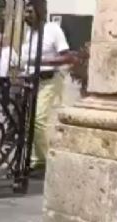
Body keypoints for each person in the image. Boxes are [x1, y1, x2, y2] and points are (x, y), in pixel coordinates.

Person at [21, 0, 73, 173]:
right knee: (29, 122)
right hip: (31, 81)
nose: (26, 15)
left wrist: (41, 61)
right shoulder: (29, 34)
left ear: (40, 11)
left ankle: (43, 161)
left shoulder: (53, 30)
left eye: (29, 11)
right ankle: (35, 159)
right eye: (25, 12)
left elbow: (67, 57)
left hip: (49, 80)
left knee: (38, 121)